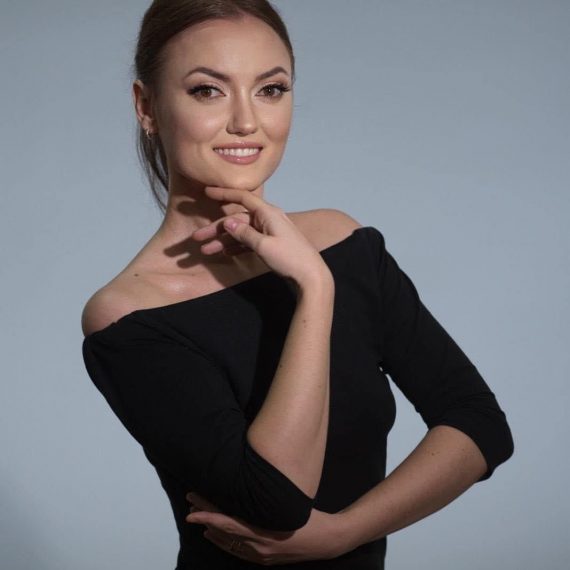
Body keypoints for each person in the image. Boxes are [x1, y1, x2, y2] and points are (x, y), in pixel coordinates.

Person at [80, 1, 514, 568]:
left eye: (271, 89)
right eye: (208, 90)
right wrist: (314, 287)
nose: (246, 121)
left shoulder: (345, 242)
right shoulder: (126, 316)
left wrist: (344, 532)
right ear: (147, 107)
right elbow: (276, 503)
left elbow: (479, 424)